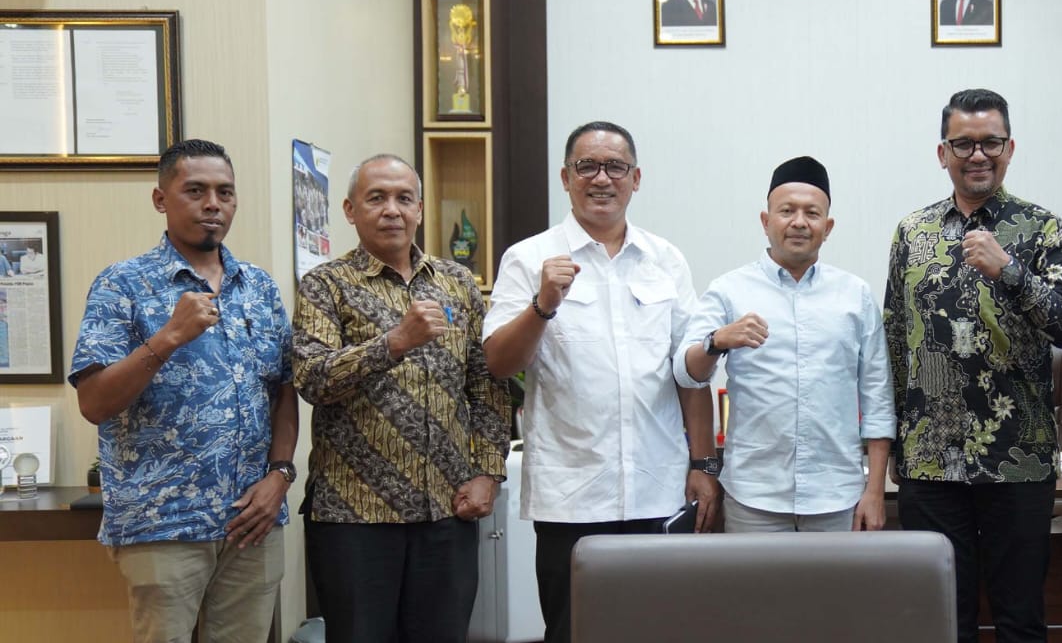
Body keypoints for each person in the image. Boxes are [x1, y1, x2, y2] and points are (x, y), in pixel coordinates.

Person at [483, 121, 718, 643]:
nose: (601, 178)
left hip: (657, 491)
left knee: (658, 633)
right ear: (565, 178)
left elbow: (690, 373)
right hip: (572, 497)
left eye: (615, 166)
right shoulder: (528, 258)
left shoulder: (665, 260)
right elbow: (497, 362)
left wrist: (703, 465)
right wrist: (542, 304)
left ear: (636, 178)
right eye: (587, 166)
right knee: (574, 631)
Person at [70, 139, 297, 643]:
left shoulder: (259, 288)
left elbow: (283, 390)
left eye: (224, 192)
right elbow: (94, 402)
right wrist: (170, 335)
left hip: (252, 520)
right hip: (163, 522)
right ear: (161, 199)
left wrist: (280, 474)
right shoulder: (122, 284)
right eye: (195, 191)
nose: (212, 204)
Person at [883, 88, 1062, 643]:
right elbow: (895, 340)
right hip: (930, 460)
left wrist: (1009, 270)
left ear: (1009, 148)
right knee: (941, 619)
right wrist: (895, 439)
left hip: (1017, 461)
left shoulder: (1043, 230)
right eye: (963, 143)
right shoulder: (913, 232)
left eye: (990, 143)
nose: (978, 155)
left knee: (1020, 619)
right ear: (942, 153)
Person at [293, 154, 511, 643]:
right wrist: (394, 342)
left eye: (403, 198)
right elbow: (312, 379)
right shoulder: (325, 285)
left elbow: (486, 385)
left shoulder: (457, 283)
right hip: (355, 516)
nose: (391, 209)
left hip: (447, 510)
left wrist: (487, 472)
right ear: (350, 210)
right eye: (377, 198)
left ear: (419, 209)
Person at [676, 156, 894, 532]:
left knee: (838, 578)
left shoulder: (854, 295)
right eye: (787, 211)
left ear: (827, 227)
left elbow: (878, 396)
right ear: (766, 222)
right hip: (753, 494)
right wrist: (717, 341)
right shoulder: (729, 290)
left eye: (812, 213)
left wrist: (874, 490)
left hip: (836, 494)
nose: (799, 222)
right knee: (754, 577)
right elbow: (686, 371)